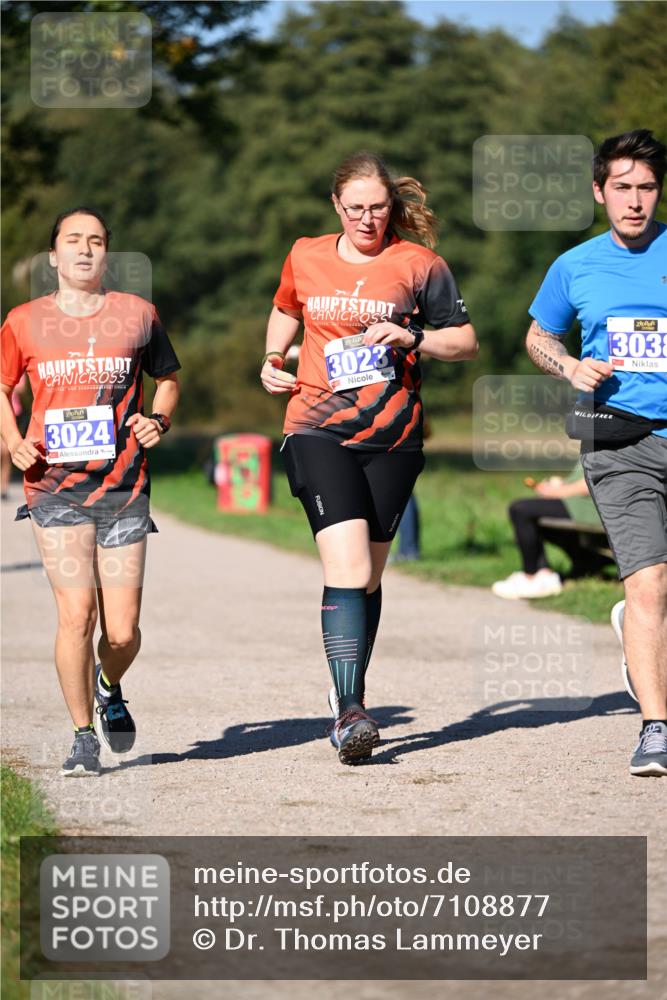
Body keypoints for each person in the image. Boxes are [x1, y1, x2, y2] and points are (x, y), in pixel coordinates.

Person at [261, 152, 478, 764]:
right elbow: (286, 307)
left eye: (377, 207)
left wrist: (412, 337)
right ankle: (350, 712)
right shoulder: (306, 253)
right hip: (314, 427)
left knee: (371, 576)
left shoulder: (420, 265)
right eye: (354, 208)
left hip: (395, 438)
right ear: (336, 206)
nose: (365, 218)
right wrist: (273, 360)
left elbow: (464, 341)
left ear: (392, 207)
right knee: (350, 567)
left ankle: (346, 690)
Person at [0, 207, 180, 776]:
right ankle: (82, 735)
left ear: (108, 254)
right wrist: (13, 442)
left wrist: (158, 419)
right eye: (73, 241)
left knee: (121, 630)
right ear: (53, 256)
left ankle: (109, 685)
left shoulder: (137, 314)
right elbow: (2, 387)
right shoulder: (23, 320)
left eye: (96, 241)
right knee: (76, 614)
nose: (85, 250)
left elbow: (168, 378)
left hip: (123, 485)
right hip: (53, 485)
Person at [525, 129, 667, 777]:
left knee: (654, 596)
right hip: (617, 439)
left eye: (645, 187)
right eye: (621, 188)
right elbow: (537, 337)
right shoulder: (574, 265)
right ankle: (655, 728)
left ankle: (636, 640)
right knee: (648, 582)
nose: (634, 201)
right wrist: (567, 367)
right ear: (597, 191)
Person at [492, 461, 612, 599]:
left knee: (520, 510)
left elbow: (597, 479)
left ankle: (531, 576)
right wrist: (561, 484)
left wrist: (557, 491)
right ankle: (547, 572)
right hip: (578, 502)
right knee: (529, 513)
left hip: (591, 507)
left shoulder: (610, 440)